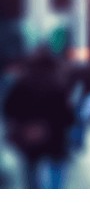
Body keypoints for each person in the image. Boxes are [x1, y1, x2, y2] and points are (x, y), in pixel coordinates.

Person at [4, 49, 74, 188]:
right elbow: (68, 118)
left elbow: (8, 109)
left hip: (29, 141)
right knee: (56, 176)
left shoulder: (21, 85)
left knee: (31, 177)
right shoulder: (58, 87)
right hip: (55, 141)